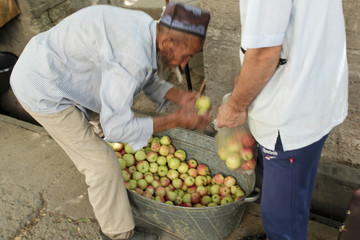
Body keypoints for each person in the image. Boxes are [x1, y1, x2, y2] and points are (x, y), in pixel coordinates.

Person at [10, 3, 210, 240]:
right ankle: (118, 234)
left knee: (108, 126)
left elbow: (143, 76)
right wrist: (175, 120)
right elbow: (117, 127)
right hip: (43, 88)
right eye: (186, 55)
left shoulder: (147, 27)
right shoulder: (132, 55)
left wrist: (179, 96)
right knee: (101, 164)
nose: (185, 63)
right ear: (167, 43)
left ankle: (113, 196)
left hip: (64, 69)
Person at [215, 0, 348, 239]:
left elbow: (265, 53)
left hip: (288, 113)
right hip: (312, 93)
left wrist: (235, 106)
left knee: (281, 219)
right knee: (293, 200)